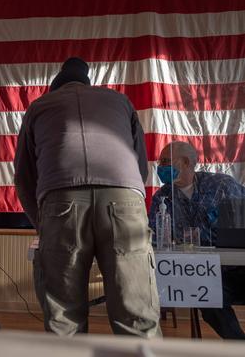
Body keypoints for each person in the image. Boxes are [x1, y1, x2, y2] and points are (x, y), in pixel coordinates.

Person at [13, 57, 160, 338]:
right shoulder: (119, 101)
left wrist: (42, 223)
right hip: (123, 199)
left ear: (57, 85)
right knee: (137, 314)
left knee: (64, 319)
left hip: (61, 198)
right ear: (87, 82)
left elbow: (24, 176)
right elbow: (140, 166)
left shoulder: (40, 106)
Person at [149, 141, 245, 339]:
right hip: (204, 274)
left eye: (166, 161)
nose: (161, 167)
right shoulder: (163, 197)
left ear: (185, 162)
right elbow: (154, 238)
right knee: (208, 301)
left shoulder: (222, 186)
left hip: (239, 268)